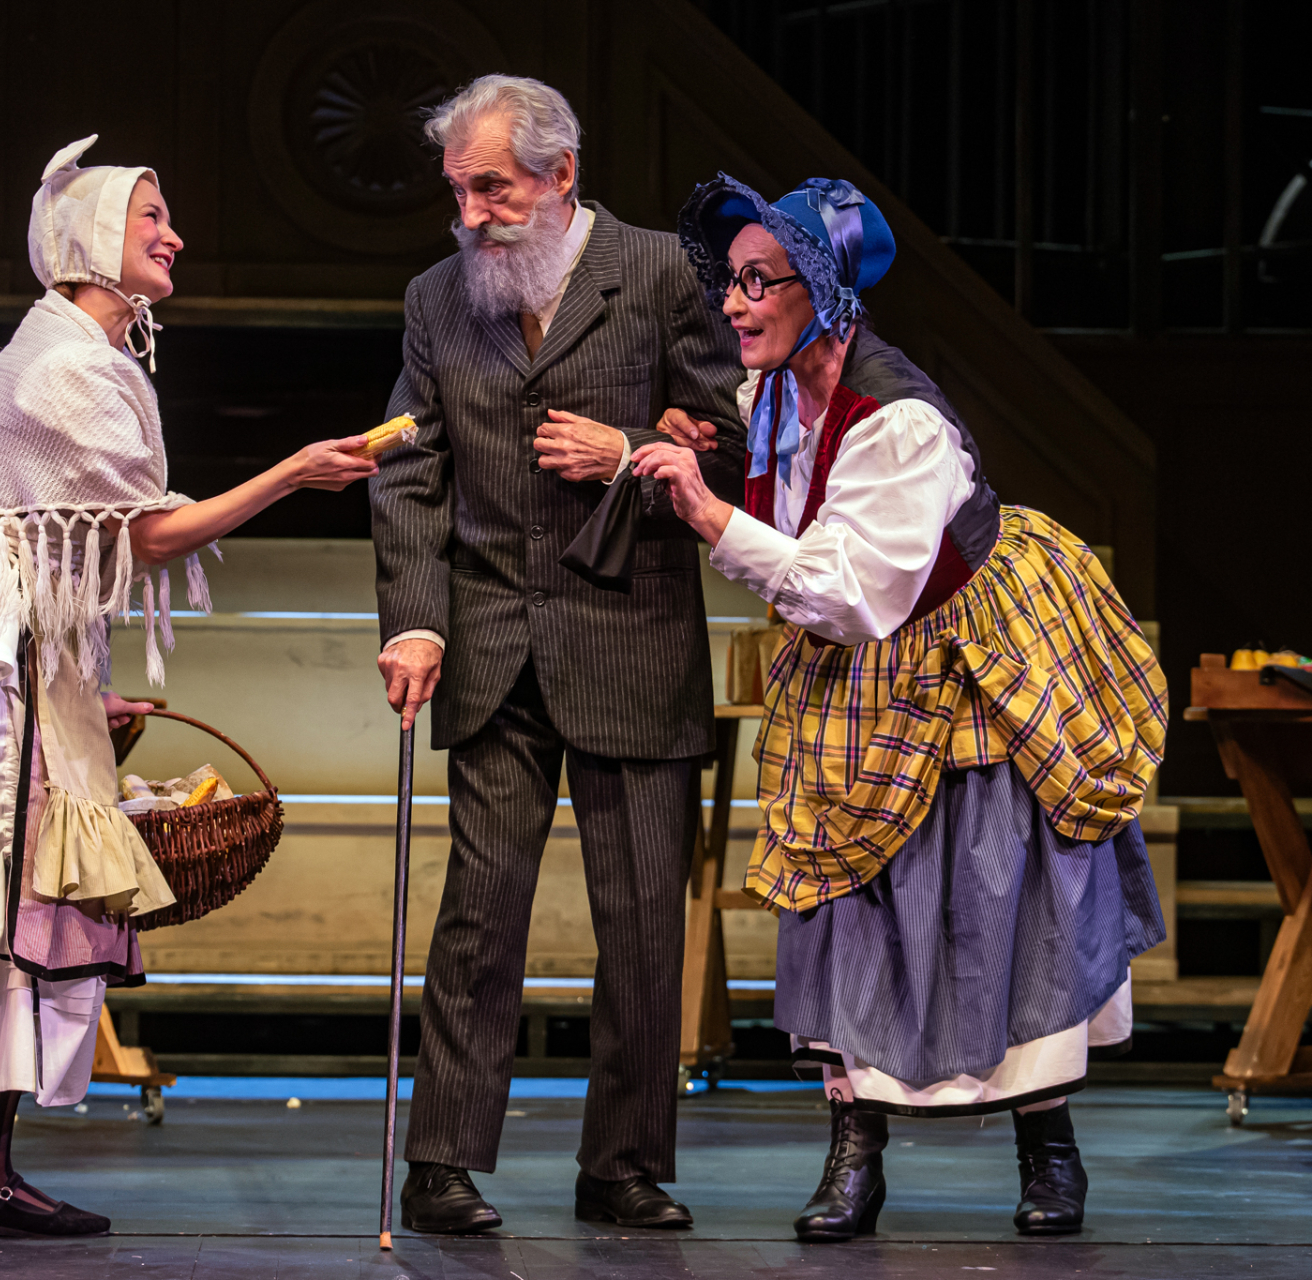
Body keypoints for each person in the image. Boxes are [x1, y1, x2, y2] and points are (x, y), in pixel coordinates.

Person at [0, 135, 377, 1238]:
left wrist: (72, 698)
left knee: (28, 886)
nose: (174, 237)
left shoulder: (80, 355)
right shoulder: (63, 364)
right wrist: (293, 472)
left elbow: (76, 544)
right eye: (152, 217)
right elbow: (142, 537)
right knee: (4, 886)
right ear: (94, 240)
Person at [636, 172, 1166, 1240]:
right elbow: (799, 500)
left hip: (961, 656)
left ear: (823, 292)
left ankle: (1048, 1145)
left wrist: (703, 512)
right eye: (730, 281)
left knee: (997, 883)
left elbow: (850, 590)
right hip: (858, 666)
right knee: (846, 892)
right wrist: (714, 454)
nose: (733, 303)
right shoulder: (772, 391)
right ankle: (855, 1146)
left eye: (758, 281)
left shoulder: (901, 421)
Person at [369, 75, 745, 1234]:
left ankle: (622, 1161)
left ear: (560, 172)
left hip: (631, 634)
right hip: (492, 641)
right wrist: (415, 618)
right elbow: (409, 467)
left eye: (492, 188)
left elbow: (732, 445)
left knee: (643, 920)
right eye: (459, 191)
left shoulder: (664, 274)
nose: (472, 214)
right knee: (480, 911)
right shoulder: (439, 298)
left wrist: (629, 449)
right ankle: (440, 1160)